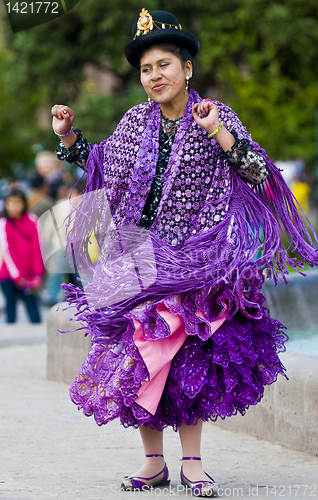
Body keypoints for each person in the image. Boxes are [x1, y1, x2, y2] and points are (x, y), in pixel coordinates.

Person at [51, 9, 318, 496]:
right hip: (132, 258)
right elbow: (98, 165)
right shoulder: (134, 121)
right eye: (146, 69)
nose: (155, 76)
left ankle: (193, 463)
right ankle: (153, 463)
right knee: (135, 361)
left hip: (194, 262)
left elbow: (258, 173)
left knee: (187, 360)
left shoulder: (214, 116)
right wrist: (67, 135)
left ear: (187, 68)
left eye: (164, 65)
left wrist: (219, 131)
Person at [0, 188, 44, 323]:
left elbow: (37, 248)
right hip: (9, 275)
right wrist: (18, 276)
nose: (13, 207)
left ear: (24, 204)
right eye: (10, 203)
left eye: (16, 203)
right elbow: (6, 252)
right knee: (11, 312)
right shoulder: (4, 223)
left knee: (34, 313)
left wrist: (38, 273)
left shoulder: (33, 220)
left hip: (29, 276)